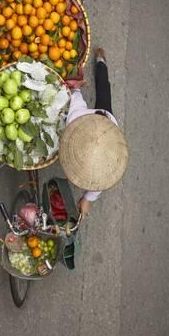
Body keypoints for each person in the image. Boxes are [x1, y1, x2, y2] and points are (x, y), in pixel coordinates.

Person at [59, 47, 129, 220]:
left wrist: (86, 200)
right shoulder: (76, 117)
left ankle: (101, 62)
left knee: (104, 91)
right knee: (103, 90)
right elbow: (75, 96)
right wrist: (75, 87)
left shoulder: (107, 165)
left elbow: (96, 187)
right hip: (99, 118)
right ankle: (100, 62)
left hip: (107, 121)